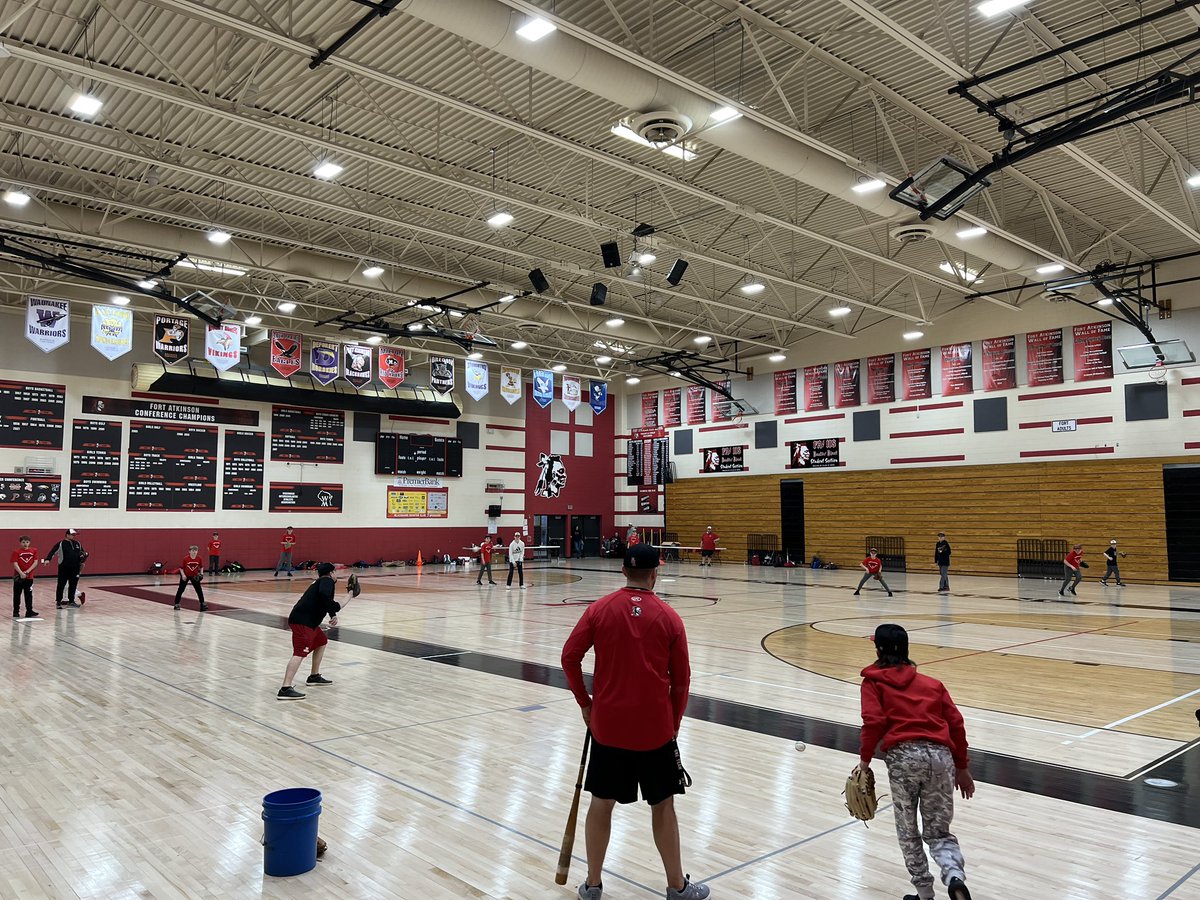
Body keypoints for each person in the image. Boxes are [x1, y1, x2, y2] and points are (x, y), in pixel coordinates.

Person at [561, 543, 709, 900]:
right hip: (655, 730)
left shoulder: (599, 610)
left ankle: (593, 884)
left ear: (624, 571)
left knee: (601, 803)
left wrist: (586, 703)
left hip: (608, 727)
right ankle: (677, 887)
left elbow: (569, 658)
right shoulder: (670, 617)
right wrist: (673, 725)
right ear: (655, 573)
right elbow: (682, 681)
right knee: (663, 806)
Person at [860, 623, 975, 900]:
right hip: (941, 758)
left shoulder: (873, 683)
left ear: (878, 649)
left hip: (904, 758)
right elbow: (956, 724)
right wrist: (962, 767)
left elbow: (873, 722)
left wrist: (864, 761)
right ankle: (954, 876)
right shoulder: (932, 684)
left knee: (908, 830)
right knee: (938, 830)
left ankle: (925, 893)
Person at [278, 562, 342, 700]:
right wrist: (347, 598)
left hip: (307, 621)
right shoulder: (327, 581)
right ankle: (285, 688)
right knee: (300, 652)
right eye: (335, 571)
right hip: (303, 621)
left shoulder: (322, 581)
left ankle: (314, 676)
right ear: (331, 573)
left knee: (321, 641)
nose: (336, 574)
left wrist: (333, 614)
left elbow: (324, 600)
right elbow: (325, 598)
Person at [44, 528, 87, 608]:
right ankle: (58, 602)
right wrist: (48, 559)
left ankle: (71, 601)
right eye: (72, 534)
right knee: (61, 585)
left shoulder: (78, 543)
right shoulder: (61, 544)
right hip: (64, 567)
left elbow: (82, 553)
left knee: (73, 585)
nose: (74, 536)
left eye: (74, 535)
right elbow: (53, 551)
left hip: (75, 567)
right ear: (67, 535)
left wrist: (83, 558)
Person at [11, 535, 40, 620]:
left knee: (28, 595)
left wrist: (27, 571)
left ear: (29, 542)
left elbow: (35, 562)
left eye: (27, 542)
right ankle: (16, 611)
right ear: (20, 543)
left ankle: (29, 611)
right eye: (23, 542)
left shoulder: (34, 550)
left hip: (29, 577)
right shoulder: (16, 552)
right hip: (18, 577)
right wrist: (21, 573)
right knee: (17, 594)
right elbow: (15, 563)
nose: (25, 544)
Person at [174, 545, 207, 611]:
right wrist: (183, 575)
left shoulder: (199, 558)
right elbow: (181, 568)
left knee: (199, 590)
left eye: (196, 550)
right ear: (189, 551)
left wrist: (201, 574)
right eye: (193, 550)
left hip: (194, 576)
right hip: (186, 575)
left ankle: (202, 603)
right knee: (181, 589)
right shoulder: (186, 559)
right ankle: (176, 603)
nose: (194, 552)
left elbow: (201, 567)